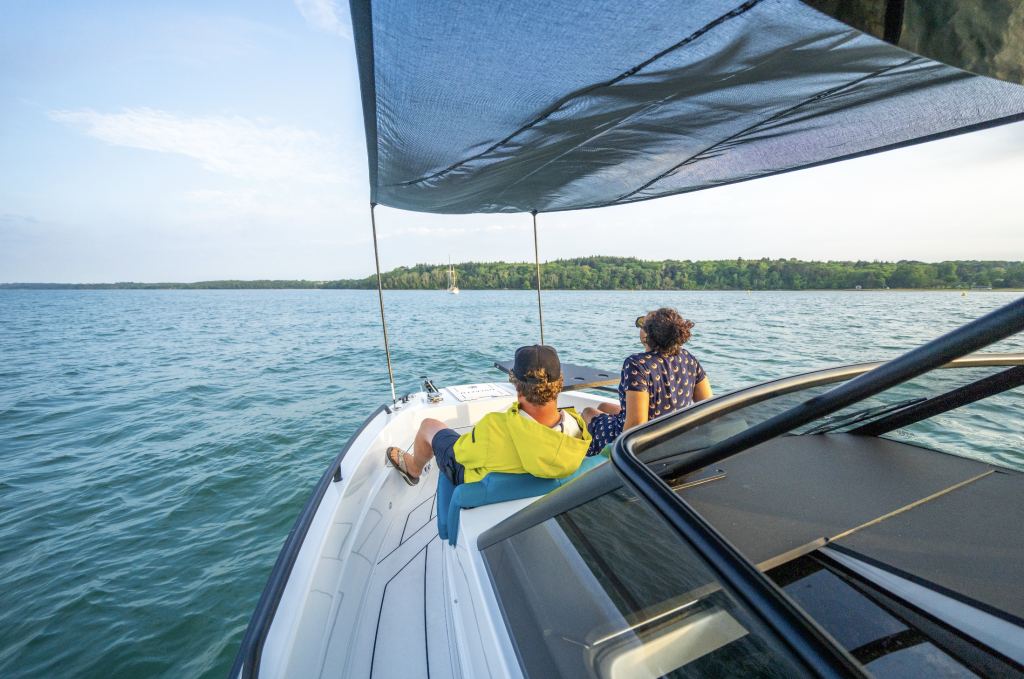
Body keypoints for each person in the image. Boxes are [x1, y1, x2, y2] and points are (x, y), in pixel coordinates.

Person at [386, 345, 592, 487]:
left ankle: (414, 468)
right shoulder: (578, 428)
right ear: (559, 384)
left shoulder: (494, 428)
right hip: (539, 493)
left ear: (516, 387)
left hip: (476, 481)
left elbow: (461, 455)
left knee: (428, 425)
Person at [582, 308, 712, 455]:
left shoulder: (637, 364)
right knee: (604, 406)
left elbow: (636, 426)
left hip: (646, 445)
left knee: (588, 412)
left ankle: (594, 457)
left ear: (648, 333)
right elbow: (708, 407)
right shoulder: (688, 359)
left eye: (642, 323)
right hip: (675, 436)